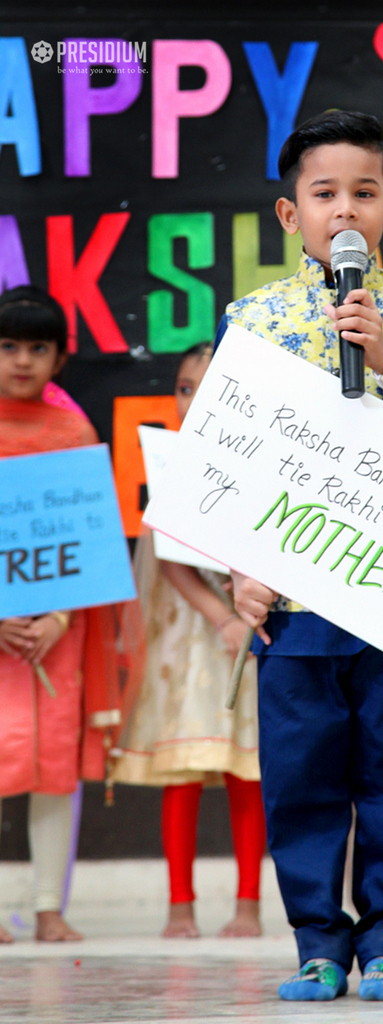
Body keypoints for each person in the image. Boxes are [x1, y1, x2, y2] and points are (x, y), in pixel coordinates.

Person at [214, 110, 383, 1001]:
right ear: (291, 215)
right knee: (302, 776)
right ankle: (317, 940)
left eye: (364, 192)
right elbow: (231, 458)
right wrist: (242, 569)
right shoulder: (251, 319)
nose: (345, 209)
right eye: (324, 194)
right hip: (293, 594)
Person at [113, 343, 266, 939]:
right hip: (190, 631)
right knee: (183, 762)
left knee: (246, 768)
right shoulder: (172, 462)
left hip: (253, 628)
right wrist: (220, 614)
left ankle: (249, 904)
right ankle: (180, 903)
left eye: (209, 387)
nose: (194, 400)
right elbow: (171, 559)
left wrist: (244, 612)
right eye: (183, 388)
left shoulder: (261, 461)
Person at [0, 285, 128, 943]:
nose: (22, 360)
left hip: (58, 631)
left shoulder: (73, 431)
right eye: (8, 346)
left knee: (53, 763)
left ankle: (49, 906)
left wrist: (55, 620)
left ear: (60, 359)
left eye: (38, 347)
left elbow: (90, 539)